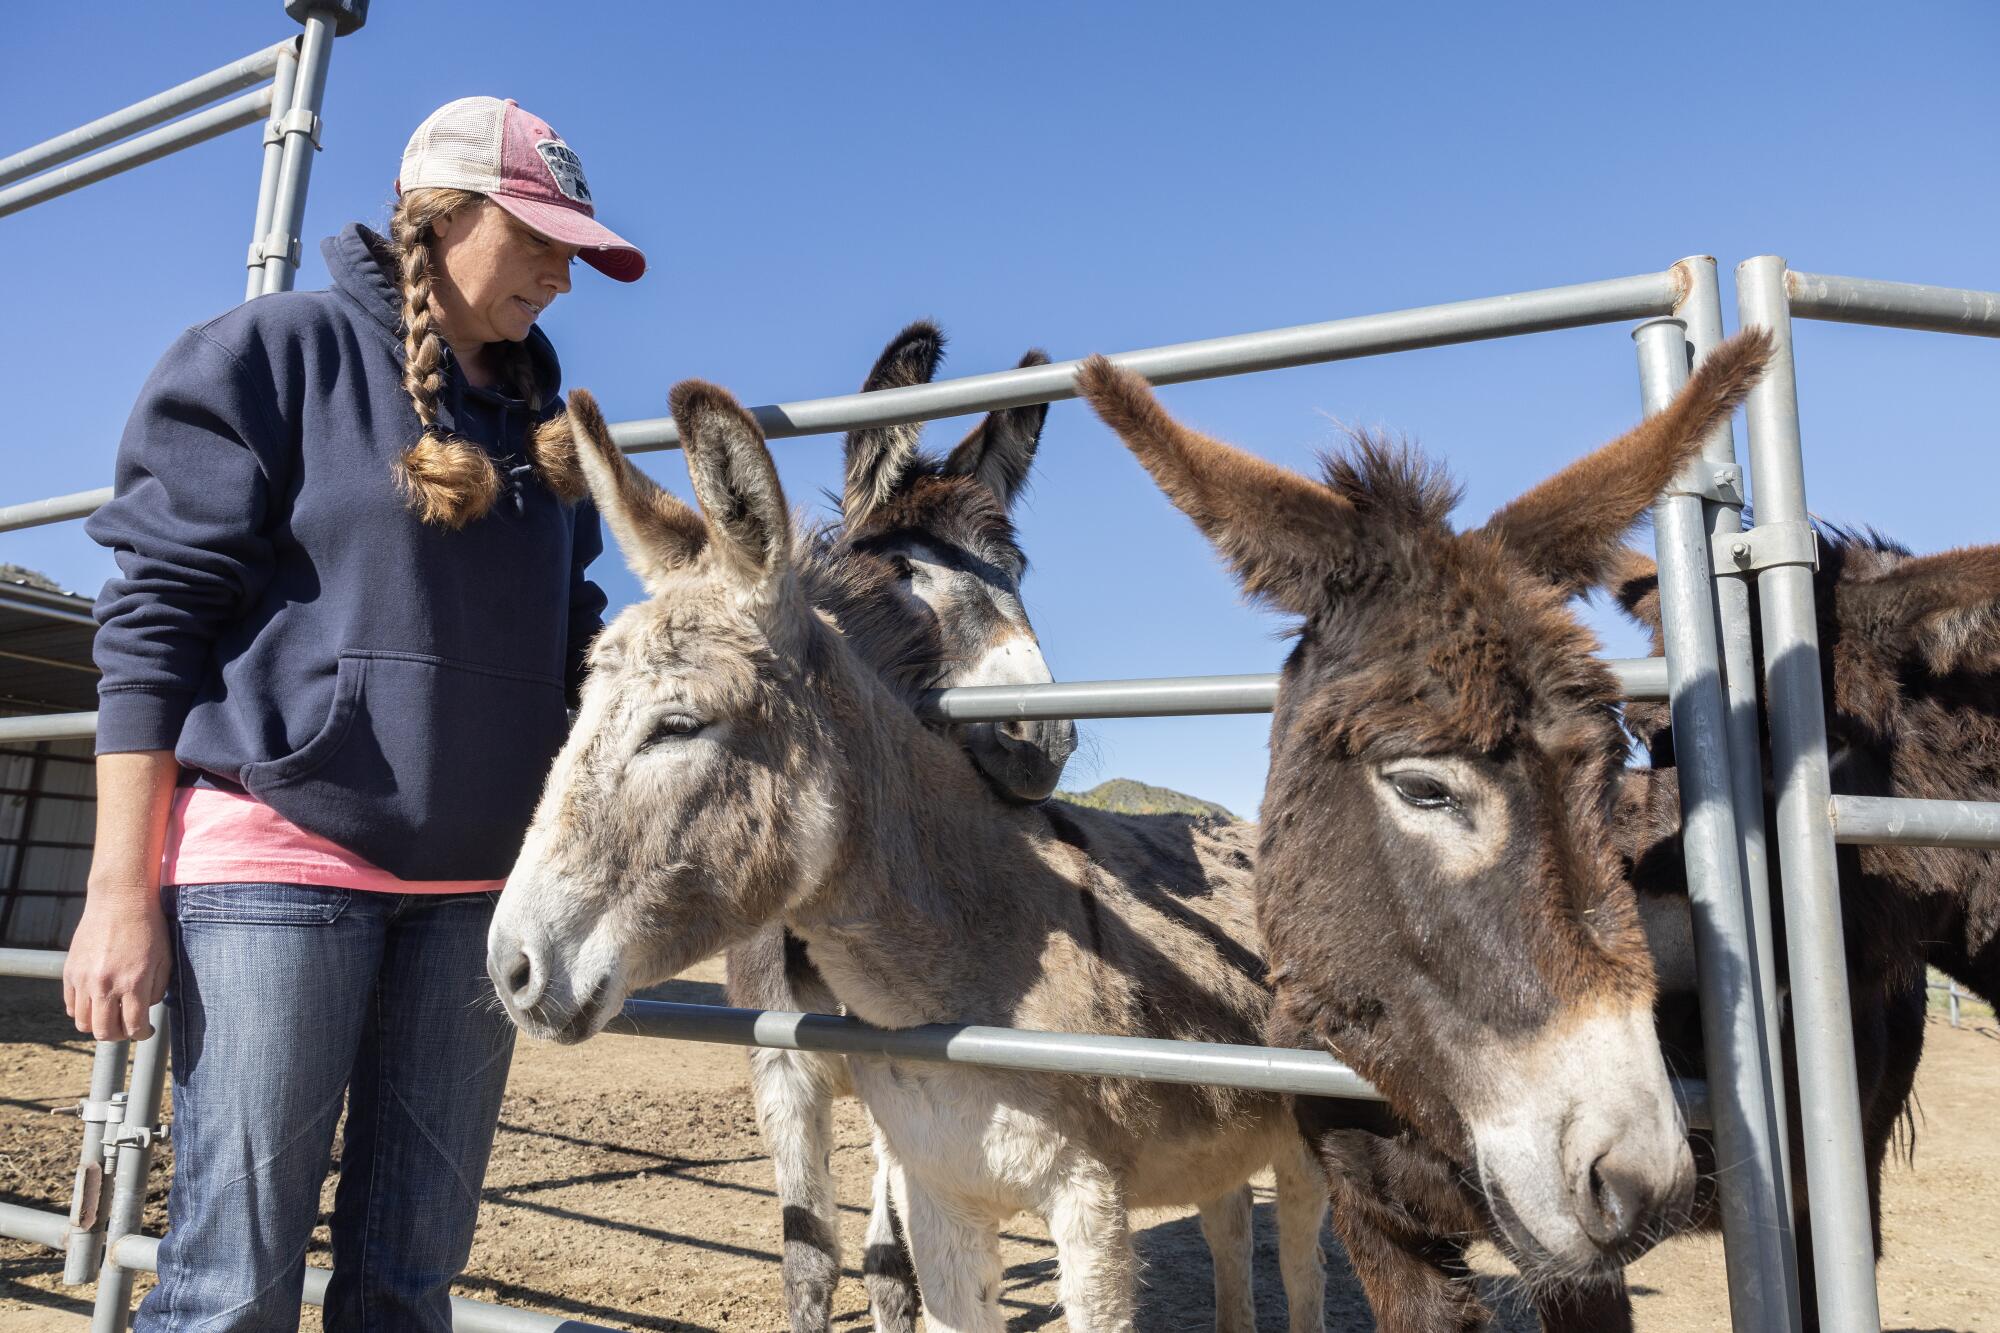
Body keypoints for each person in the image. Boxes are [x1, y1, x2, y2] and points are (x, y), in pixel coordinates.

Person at [62, 95, 643, 1330]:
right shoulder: (274, 354)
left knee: (409, 1282)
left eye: (574, 250)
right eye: (535, 237)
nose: (561, 277)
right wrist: (119, 891)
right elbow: (153, 620)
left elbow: (577, 652)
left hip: (474, 896)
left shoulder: (551, 440)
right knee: (232, 1285)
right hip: (279, 864)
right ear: (435, 220)